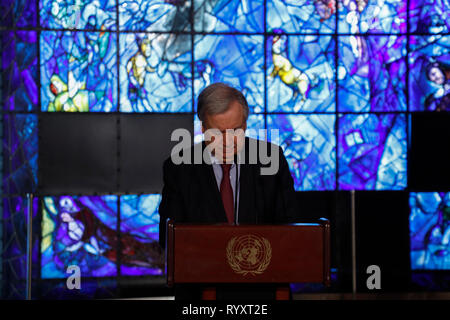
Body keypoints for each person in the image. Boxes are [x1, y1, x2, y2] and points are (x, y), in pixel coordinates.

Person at [158, 82, 300, 299]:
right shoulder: (179, 168)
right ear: (203, 130)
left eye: (235, 131)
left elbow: (290, 227)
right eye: (217, 133)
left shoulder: (271, 159)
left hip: (261, 289)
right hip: (200, 292)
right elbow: (170, 236)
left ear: (245, 126)